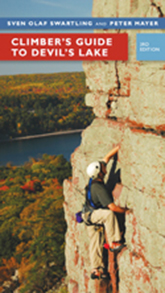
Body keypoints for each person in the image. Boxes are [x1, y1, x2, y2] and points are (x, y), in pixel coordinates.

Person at [83, 145, 128, 279]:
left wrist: (119, 146)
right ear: (100, 173)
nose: (105, 167)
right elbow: (113, 208)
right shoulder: (98, 188)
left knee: (95, 242)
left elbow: (106, 158)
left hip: (87, 215)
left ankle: (96, 269)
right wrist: (126, 211)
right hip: (92, 215)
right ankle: (115, 242)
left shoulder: (93, 178)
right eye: (103, 168)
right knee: (108, 214)